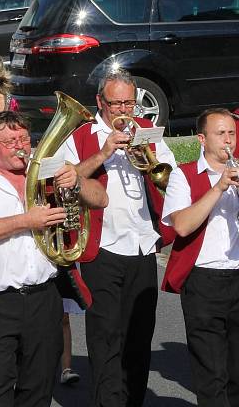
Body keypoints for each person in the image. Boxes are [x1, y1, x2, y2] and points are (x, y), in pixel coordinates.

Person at [0, 110, 107, 407]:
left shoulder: (46, 173)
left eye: (23, 138)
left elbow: (101, 199)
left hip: (44, 298)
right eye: (10, 141)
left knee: (38, 389)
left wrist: (76, 180)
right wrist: (27, 220)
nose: (20, 146)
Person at [63, 68, 176, 407]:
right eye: (117, 104)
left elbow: (169, 179)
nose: (125, 111)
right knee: (105, 337)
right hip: (102, 247)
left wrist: (149, 159)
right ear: (101, 102)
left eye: (130, 103)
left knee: (139, 338)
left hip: (142, 245)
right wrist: (104, 153)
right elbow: (64, 179)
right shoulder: (82, 135)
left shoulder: (146, 132)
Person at [161, 108, 239, 405]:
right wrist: (219, 187)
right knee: (211, 371)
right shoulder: (184, 175)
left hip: (237, 273)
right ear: (201, 139)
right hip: (204, 281)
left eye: (231, 133)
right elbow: (182, 226)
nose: (228, 141)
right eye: (221, 134)